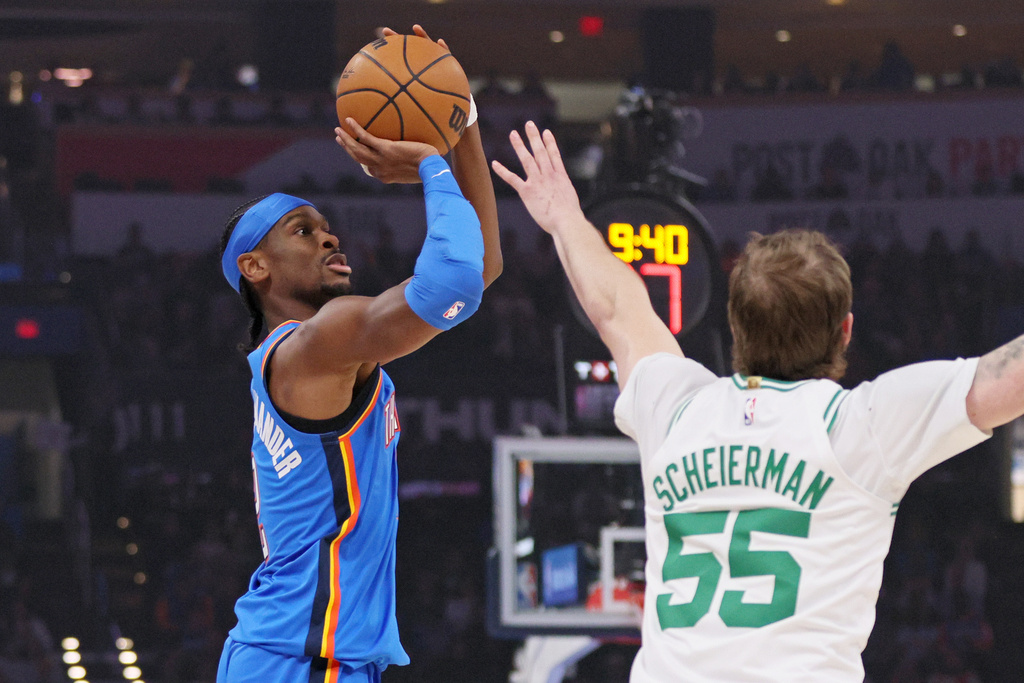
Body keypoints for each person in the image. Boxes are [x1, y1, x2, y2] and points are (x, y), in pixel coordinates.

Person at [492, 121, 1024, 682]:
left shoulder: (677, 410)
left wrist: (566, 219)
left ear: (735, 324)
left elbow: (618, 308)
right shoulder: (860, 427)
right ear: (845, 331)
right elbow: (1004, 381)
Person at [215, 25, 501, 683]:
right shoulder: (316, 343)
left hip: (311, 656)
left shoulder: (321, 347)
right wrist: (430, 163)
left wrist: (460, 120)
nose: (329, 236)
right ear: (255, 266)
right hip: (300, 658)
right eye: (302, 230)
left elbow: (480, 267)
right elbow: (454, 283)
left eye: (326, 226)